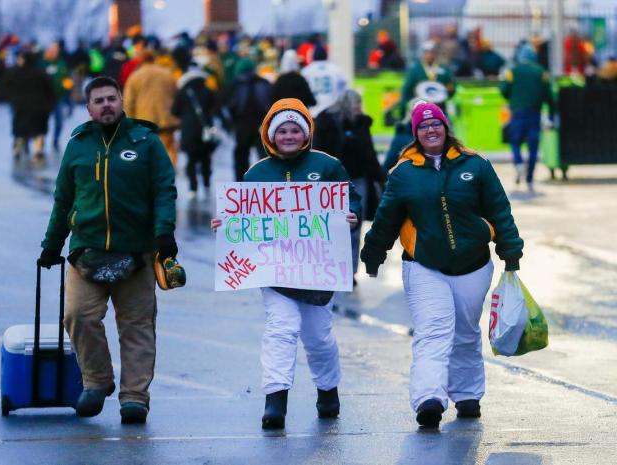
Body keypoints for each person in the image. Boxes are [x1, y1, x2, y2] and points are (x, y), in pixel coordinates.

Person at [360, 101, 523, 429]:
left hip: (473, 264)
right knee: (433, 331)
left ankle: (467, 394)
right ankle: (428, 399)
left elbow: (499, 209)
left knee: (464, 332)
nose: (430, 130)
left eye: (436, 124)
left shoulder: (475, 165)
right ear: (415, 133)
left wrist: (510, 249)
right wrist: (373, 254)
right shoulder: (404, 172)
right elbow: (387, 217)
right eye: (423, 126)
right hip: (424, 265)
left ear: (446, 128)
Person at [211, 98, 361, 430]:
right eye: (283, 131)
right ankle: (275, 400)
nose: (289, 136)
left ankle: (327, 389)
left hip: (318, 269)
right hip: (275, 269)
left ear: (306, 133)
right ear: (270, 134)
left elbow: (351, 199)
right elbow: (243, 215)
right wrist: (227, 224)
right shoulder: (256, 172)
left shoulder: (328, 165)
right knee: (282, 328)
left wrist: (351, 215)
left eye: (296, 129)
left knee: (318, 336)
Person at [37, 76, 178, 424]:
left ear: (122, 101)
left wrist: (164, 234)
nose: (106, 105)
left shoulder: (146, 141)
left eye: (111, 99)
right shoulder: (78, 144)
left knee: (136, 327)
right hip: (86, 250)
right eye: (98, 101)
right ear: (88, 109)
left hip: (138, 251)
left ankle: (134, 397)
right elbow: (62, 199)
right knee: (77, 316)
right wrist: (51, 246)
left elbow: (164, 190)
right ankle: (97, 382)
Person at [313, 89, 384, 283]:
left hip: (356, 181)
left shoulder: (360, 123)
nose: (359, 108)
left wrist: (380, 179)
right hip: (333, 184)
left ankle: (348, 271)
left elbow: (369, 154)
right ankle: (333, 266)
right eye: (357, 104)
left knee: (353, 225)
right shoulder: (326, 122)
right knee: (333, 227)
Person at [500, 43, 554, 191]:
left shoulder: (512, 71)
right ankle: (530, 177)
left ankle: (518, 163)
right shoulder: (541, 72)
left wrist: (513, 98)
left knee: (515, 141)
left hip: (517, 112)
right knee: (533, 145)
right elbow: (549, 96)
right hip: (535, 113)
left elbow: (504, 90)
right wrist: (551, 113)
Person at [123, 50, 180, 166]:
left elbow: (128, 102)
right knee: (168, 146)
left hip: (144, 119)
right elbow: (177, 95)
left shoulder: (135, 77)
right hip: (166, 118)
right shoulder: (167, 74)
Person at [171, 63, 217, 197]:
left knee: (191, 159)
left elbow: (175, 111)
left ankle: (193, 188)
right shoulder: (208, 91)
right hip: (205, 130)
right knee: (205, 158)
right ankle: (207, 183)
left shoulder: (183, 92)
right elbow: (215, 107)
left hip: (189, 130)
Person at [2, 51, 55, 165]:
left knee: (20, 131)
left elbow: (6, 86)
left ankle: (17, 150)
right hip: (40, 108)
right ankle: (38, 151)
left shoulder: (15, 73)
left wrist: (12, 99)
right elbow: (50, 90)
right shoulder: (42, 73)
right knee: (39, 131)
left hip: (21, 107)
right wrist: (49, 104)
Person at [226, 58, 273, 181]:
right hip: (261, 123)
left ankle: (241, 183)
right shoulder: (264, 82)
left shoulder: (235, 84)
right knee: (264, 155)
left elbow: (229, 105)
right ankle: (267, 182)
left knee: (241, 155)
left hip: (242, 124)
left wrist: (231, 124)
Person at [400, 40, 454, 116]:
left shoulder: (444, 69)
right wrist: (406, 105)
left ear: (436, 54)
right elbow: (407, 89)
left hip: (440, 107)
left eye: (432, 52)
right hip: (420, 108)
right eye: (427, 52)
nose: (430, 55)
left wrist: (450, 89)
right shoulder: (415, 70)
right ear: (423, 54)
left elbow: (451, 86)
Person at [301, 45, 348, 118]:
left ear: (313, 56)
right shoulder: (336, 69)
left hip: (313, 112)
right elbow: (345, 88)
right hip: (333, 111)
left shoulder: (306, 71)